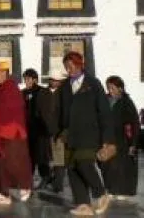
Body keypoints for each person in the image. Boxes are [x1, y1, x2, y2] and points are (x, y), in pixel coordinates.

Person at [59, 51, 114, 216]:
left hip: (89, 134)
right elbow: (61, 111)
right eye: (66, 66)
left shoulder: (93, 84)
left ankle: (101, 194)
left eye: (71, 66)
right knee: (72, 168)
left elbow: (104, 112)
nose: (68, 69)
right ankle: (83, 204)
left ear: (79, 65)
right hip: (70, 135)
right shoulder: (65, 86)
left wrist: (107, 138)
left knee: (84, 163)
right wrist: (59, 131)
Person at [0, 61, 33, 206]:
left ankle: (24, 187)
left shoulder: (11, 88)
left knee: (14, 163)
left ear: (4, 73)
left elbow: (9, 110)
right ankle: (1, 192)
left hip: (12, 132)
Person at [101, 75, 139, 201]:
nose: (110, 90)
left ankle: (124, 191)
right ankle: (111, 189)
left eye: (112, 88)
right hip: (108, 137)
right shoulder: (106, 100)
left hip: (123, 139)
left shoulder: (126, 102)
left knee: (122, 166)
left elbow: (133, 123)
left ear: (120, 88)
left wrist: (133, 142)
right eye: (108, 88)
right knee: (108, 165)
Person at [22, 68, 52, 188]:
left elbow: (47, 111)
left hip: (41, 129)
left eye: (28, 79)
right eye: (25, 79)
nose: (26, 81)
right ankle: (28, 180)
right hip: (28, 129)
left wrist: (47, 127)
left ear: (35, 79)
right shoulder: (23, 93)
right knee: (29, 157)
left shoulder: (43, 92)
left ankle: (46, 177)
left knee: (41, 156)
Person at [46, 70, 67, 193]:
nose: (55, 82)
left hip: (58, 131)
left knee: (59, 159)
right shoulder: (44, 92)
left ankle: (58, 184)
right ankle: (50, 179)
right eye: (53, 80)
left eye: (57, 80)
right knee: (48, 158)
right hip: (45, 130)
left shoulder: (64, 94)